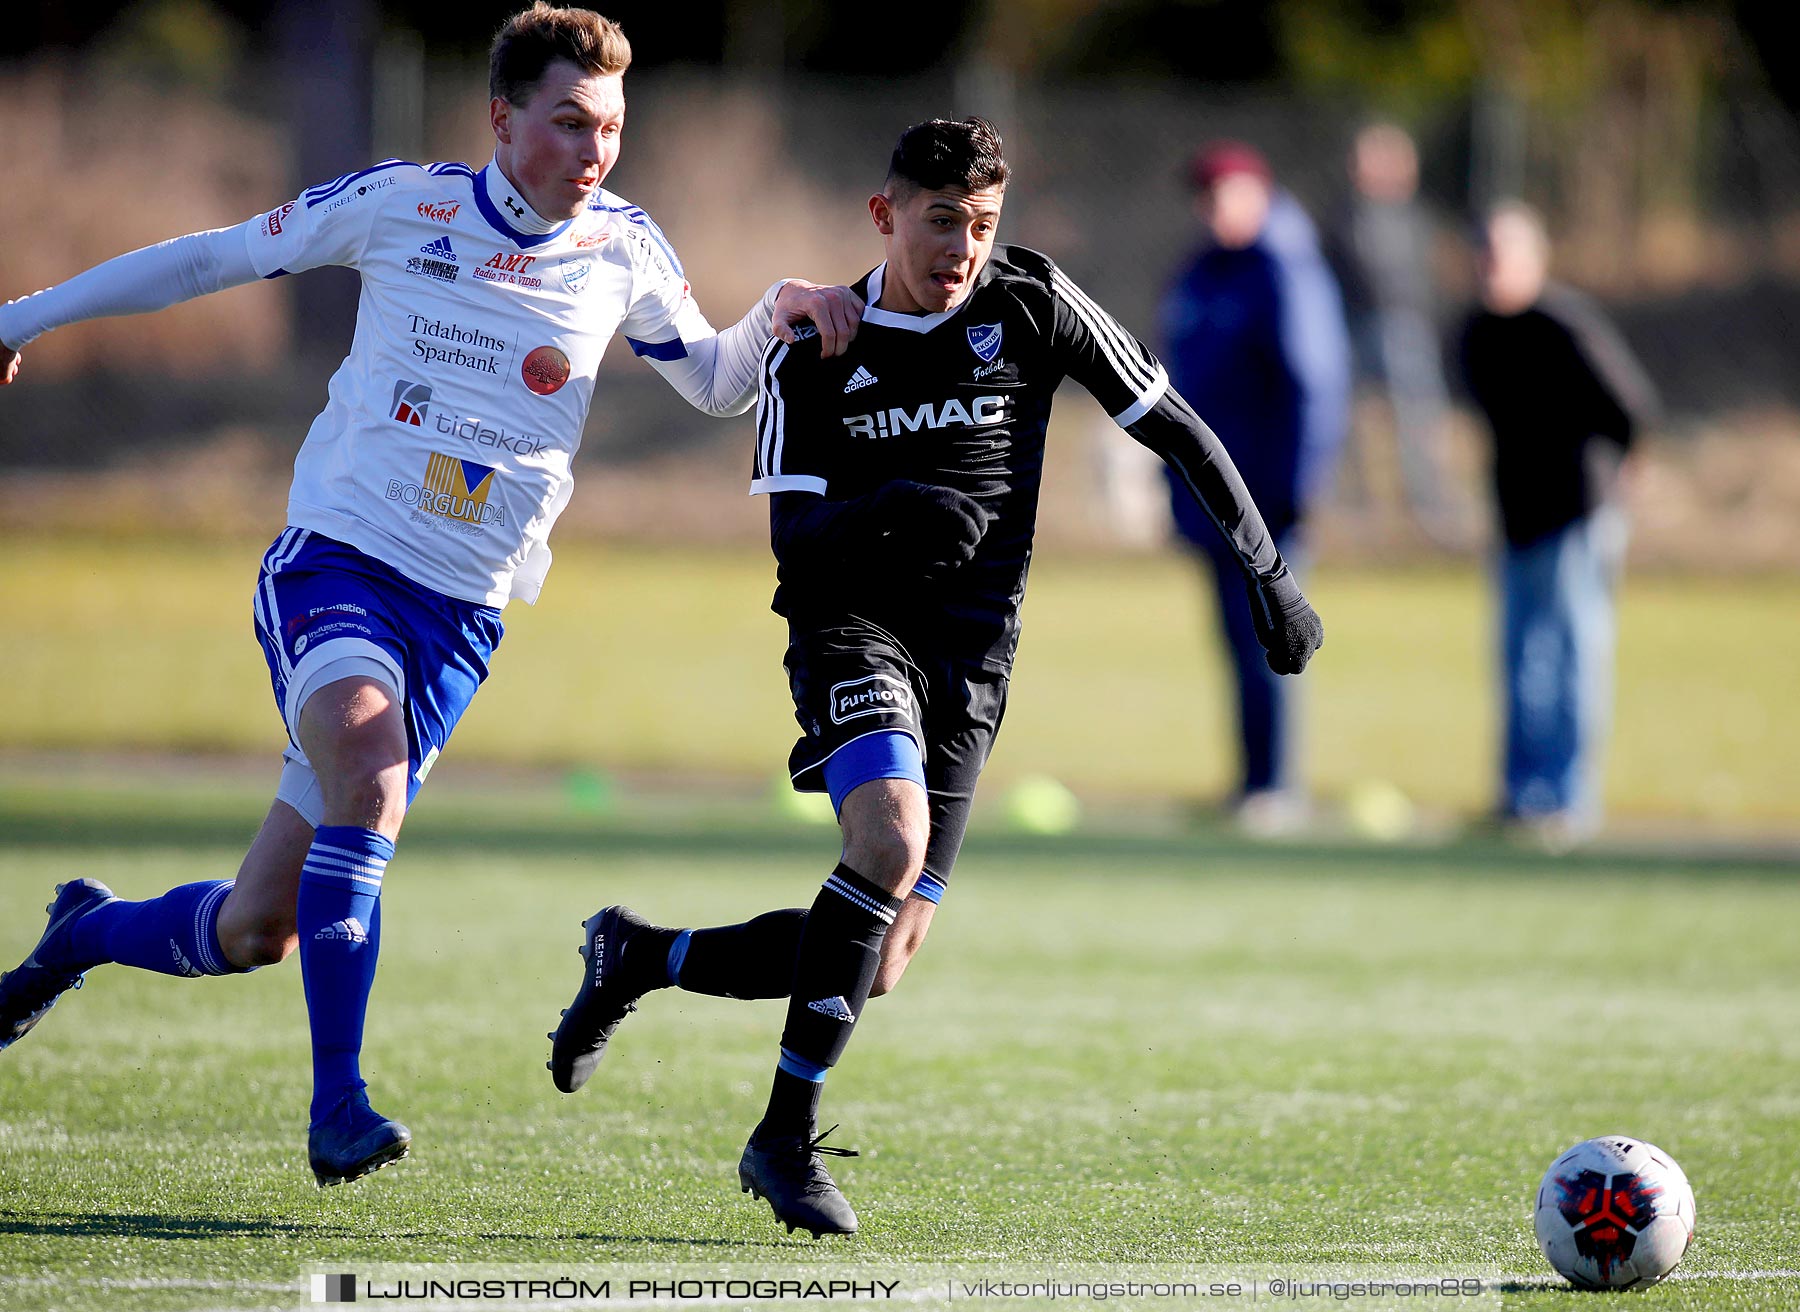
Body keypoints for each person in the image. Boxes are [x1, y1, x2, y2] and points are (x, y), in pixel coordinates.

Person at [0, 2, 861, 1188]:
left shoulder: (624, 247)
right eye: (568, 123)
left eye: (610, 127)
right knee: (369, 763)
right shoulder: (401, 204)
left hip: (463, 617)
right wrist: (24, 316)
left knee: (261, 926)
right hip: (339, 559)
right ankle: (338, 1105)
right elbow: (212, 256)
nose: (594, 150)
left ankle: (81, 932)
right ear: (502, 121)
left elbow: (715, 383)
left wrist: (779, 309)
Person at [544, 117, 1323, 1238]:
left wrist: (1268, 573)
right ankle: (782, 1136)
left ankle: (638, 956)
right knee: (889, 841)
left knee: (885, 957)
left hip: (974, 662)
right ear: (886, 214)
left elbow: (1176, 426)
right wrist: (895, 513)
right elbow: (795, 544)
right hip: (849, 624)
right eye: (943, 220)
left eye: (984, 223)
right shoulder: (816, 339)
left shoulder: (1031, 302)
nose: (964, 247)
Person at [1159, 141, 1350, 833]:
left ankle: (1276, 786)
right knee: (1233, 645)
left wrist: (1296, 491)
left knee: (1272, 639)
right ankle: (1250, 782)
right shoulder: (1201, 271)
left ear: (1259, 193)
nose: (1213, 209)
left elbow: (1314, 387)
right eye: (1204, 197)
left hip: (1267, 503)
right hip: (1211, 501)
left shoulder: (1284, 270)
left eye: (1226, 194)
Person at [1460, 202, 1657, 846]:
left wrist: (1616, 483)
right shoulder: (1476, 333)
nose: (1492, 267)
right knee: (1519, 657)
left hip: (1576, 513)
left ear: (1534, 260)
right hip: (1517, 516)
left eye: (1504, 253)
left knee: (1575, 654)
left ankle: (1570, 799)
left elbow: (1631, 410)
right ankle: (1522, 796)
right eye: (1484, 253)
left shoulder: (1564, 326)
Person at [1328, 122, 1457, 539]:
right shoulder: (1345, 219)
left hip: (1408, 329)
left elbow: (1424, 278)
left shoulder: (1416, 218)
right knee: (1347, 423)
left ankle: (1428, 506)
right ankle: (1354, 505)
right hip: (1356, 328)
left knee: (1418, 418)